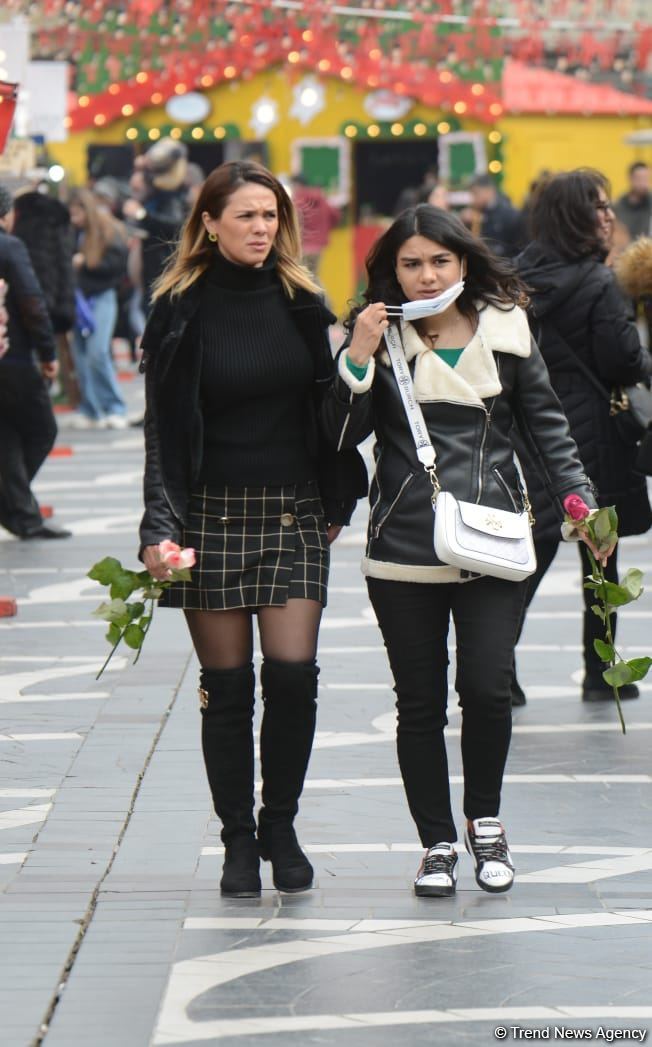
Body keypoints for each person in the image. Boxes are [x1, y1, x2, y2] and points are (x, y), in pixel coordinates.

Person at [320, 204, 601, 898]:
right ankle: (436, 841)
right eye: (410, 263)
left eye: (439, 261)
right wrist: (356, 352)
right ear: (391, 268)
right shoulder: (378, 335)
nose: (424, 275)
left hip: (496, 536)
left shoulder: (505, 327)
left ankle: (486, 822)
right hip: (404, 541)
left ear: (464, 263)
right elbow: (339, 432)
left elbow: (547, 424)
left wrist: (579, 498)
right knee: (419, 701)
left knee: (485, 686)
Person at [138, 161, 367, 898]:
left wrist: (355, 364)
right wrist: (158, 526)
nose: (262, 229)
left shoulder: (302, 298)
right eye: (246, 216)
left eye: (271, 216)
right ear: (209, 222)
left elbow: (334, 410)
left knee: (294, 678)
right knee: (227, 687)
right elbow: (163, 433)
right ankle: (238, 837)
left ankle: (281, 822)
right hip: (210, 514)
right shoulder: (178, 306)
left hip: (293, 509)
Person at [512, 169, 652, 705]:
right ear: (576, 217)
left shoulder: (518, 279)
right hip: (593, 430)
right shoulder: (598, 282)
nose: (609, 214)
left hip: (534, 430)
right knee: (601, 554)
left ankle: (499, 667)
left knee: (536, 548)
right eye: (598, 206)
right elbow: (621, 358)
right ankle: (601, 672)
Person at [0, 183, 71, 539]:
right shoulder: (9, 246)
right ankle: (13, 506)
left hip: (10, 354)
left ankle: (22, 515)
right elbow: (32, 301)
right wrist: (47, 352)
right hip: (14, 358)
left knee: (8, 434)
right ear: (7, 214)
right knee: (43, 430)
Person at [66, 188, 129, 430]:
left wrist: (88, 264)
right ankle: (90, 409)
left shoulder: (107, 230)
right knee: (80, 355)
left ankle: (115, 407)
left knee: (97, 352)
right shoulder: (74, 232)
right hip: (77, 297)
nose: (75, 218)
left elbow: (116, 266)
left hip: (101, 296)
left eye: (78, 213)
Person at [289, 175, 340, 280]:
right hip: (318, 247)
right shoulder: (321, 198)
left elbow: (293, 219)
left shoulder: (298, 198)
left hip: (302, 246)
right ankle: (319, 296)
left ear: (297, 184)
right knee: (313, 277)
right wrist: (325, 229)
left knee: (300, 278)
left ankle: (319, 296)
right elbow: (335, 215)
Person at [468, 174, 526, 258]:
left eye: (475, 193)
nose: (473, 199)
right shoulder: (483, 211)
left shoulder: (508, 214)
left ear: (489, 190)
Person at [613, 162, 651, 243]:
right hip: (625, 252)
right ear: (630, 178)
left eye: (646, 179)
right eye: (640, 179)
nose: (644, 184)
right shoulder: (618, 206)